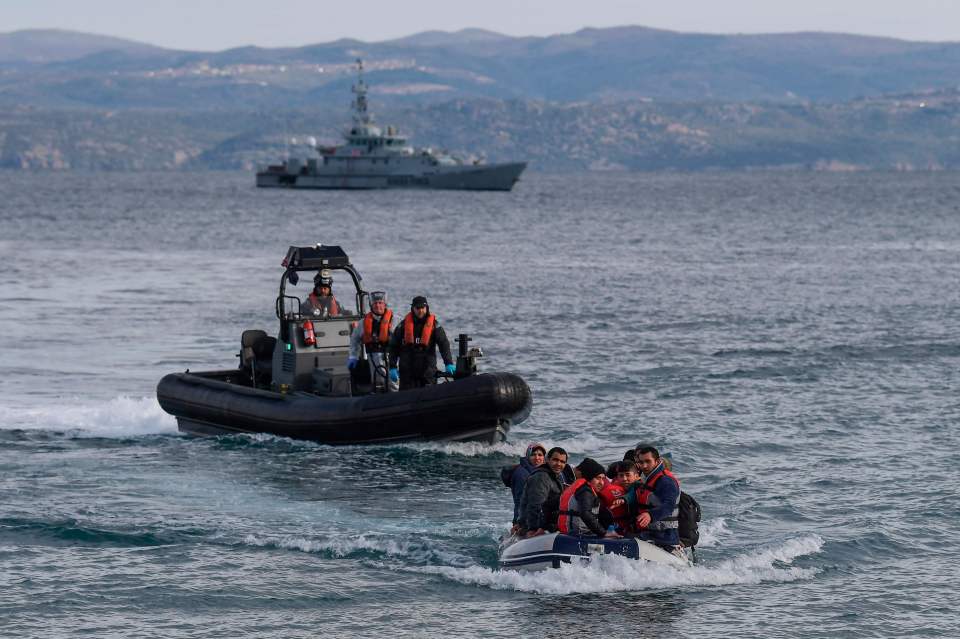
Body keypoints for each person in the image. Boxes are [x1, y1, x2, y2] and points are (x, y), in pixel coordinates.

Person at [388, 295, 455, 390]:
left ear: (426, 308)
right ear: (413, 309)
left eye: (423, 308)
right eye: (417, 308)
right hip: (407, 374)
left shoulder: (434, 325)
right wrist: (392, 367)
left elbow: (443, 344)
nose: (420, 311)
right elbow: (393, 347)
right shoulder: (402, 326)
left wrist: (448, 363)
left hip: (428, 372)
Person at [623, 445, 681, 551]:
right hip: (647, 534)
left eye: (648, 461)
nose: (644, 466)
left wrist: (650, 515)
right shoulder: (647, 478)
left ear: (657, 461)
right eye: (641, 462)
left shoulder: (666, 481)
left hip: (664, 538)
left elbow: (669, 506)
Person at [557, 458, 620, 538]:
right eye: (598, 478)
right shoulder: (585, 491)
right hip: (579, 535)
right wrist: (603, 533)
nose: (601, 482)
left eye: (603, 478)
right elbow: (585, 513)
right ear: (589, 479)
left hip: (568, 534)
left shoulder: (578, 488)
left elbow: (548, 504)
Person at [348, 291, 397, 392]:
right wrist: (353, 356)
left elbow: (402, 341)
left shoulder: (394, 320)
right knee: (377, 384)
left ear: (385, 304)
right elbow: (354, 340)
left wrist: (395, 364)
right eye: (375, 303)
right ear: (371, 305)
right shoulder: (363, 323)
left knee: (393, 384)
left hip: (391, 359)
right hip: (373, 358)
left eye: (380, 303)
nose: (378, 306)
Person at [518, 446, 569, 537]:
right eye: (555, 460)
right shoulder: (541, 477)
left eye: (562, 462)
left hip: (544, 525)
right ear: (547, 460)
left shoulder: (556, 476)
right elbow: (535, 505)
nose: (558, 464)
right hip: (534, 528)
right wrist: (532, 529)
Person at [507, 443, 546, 534]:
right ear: (528, 456)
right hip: (524, 521)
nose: (537, 458)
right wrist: (519, 523)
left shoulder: (540, 472)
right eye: (533, 455)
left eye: (540, 455)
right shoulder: (521, 474)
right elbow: (520, 501)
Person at [599, 460, 639, 534]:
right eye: (621, 475)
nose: (624, 479)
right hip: (621, 529)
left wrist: (623, 499)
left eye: (628, 475)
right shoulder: (616, 488)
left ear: (636, 476)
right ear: (617, 477)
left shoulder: (638, 486)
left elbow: (632, 494)